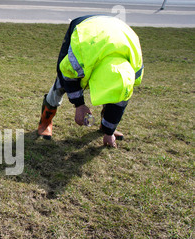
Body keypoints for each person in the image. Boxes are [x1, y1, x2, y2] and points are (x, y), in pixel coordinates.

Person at [38, 15, 144, 148]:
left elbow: (120, 103)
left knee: (115, 94)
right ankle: (45, 122)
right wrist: (79, 105)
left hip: (118, 32)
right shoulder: (80, 55)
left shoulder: (134, 72)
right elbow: (68, 76)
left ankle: (104, 125)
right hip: (85, 30)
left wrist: (109, 132)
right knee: (61, 81)